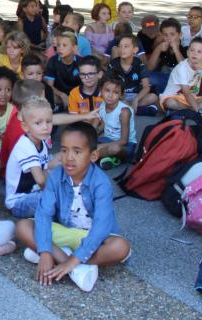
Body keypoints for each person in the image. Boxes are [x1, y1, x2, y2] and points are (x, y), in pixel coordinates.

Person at [15, 122, 131, 293]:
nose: (69, 157)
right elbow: (44, 214)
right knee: (23, 226)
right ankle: (72, 266)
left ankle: (66, 260)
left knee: (121, 247)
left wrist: (74, 259)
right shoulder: (55, 177)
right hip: (66, 230)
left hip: (95, 238)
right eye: (64, 150)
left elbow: (101, 227)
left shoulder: (101, 183)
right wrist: (46, 252)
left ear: (93, 156)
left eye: (77, 151)